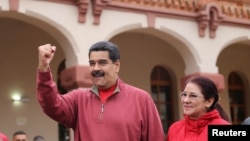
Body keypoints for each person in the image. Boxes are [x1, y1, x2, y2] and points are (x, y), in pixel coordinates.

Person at [36, 41, 165, 141]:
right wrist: (43, 68)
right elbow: (51, 105)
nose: (96, 68)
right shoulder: (78, 100)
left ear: (116, 66)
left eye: (102, 63)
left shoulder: (141, 99)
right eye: (92, 63)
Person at [166, 76, 230, 141]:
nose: (185, 100)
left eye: (193, 96)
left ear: (209, 102)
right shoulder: (174, 129)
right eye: (184, 94)